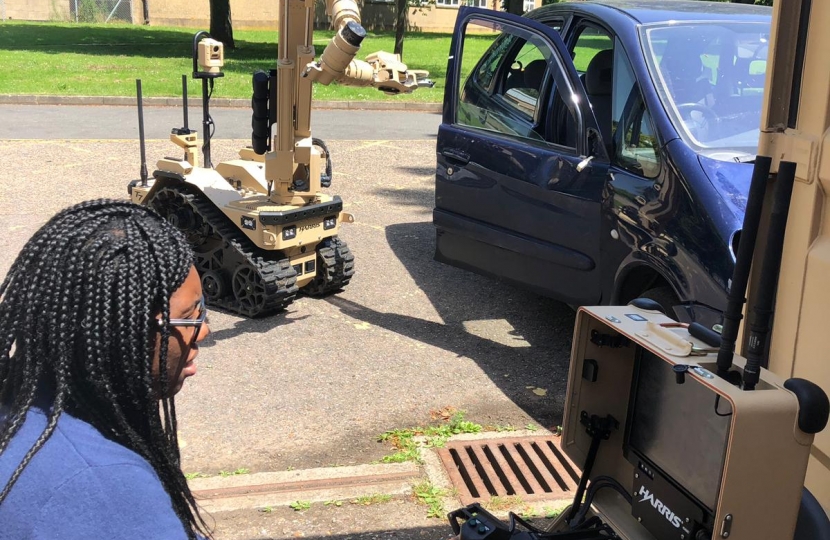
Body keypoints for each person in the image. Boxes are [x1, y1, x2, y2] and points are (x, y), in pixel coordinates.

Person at [0, 199, 212, 539]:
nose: (203, 330)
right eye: (188, 317)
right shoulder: (104, 487)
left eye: (203, 309)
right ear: (117, 334)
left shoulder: (18, 400)